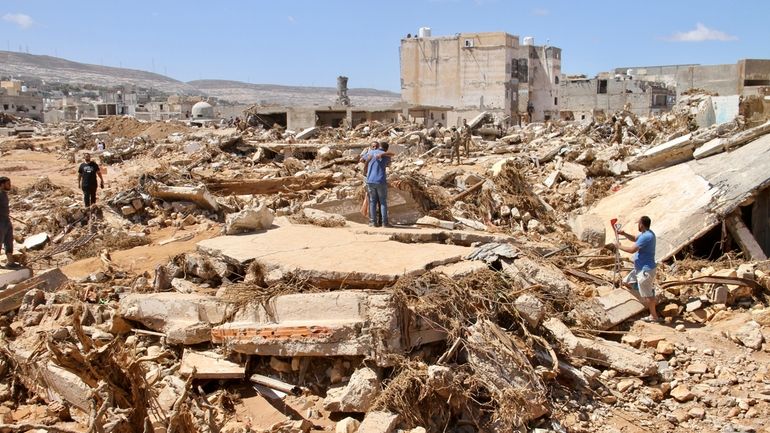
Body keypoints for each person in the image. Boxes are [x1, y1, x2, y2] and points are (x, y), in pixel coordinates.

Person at [617, 216, 660, 322]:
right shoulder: (645, 234)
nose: (638, 225)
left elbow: (632, 249)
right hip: (639, 268)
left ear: (641, 224)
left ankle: (654, 316)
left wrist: (618, 246)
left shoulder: (647, 236)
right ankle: (646, 291)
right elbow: (635, 239)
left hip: (645, 270)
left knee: (647, 294)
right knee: (626, 282)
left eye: (638, 223)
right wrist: (624, 234)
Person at [361, 142, 392, 227]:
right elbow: (388, 163)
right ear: (386, 149)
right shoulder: (386, 155)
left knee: (372, 202)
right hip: (380, 180)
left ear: (378, 146)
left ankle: (372, 222)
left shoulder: (370, 152)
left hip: (370, 180)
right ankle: (384, 223)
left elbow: (362, 159)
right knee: (382, 202)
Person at [0, 177, 19, 268]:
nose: (10, 186)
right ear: (2, 184)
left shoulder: (4, 194)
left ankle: (10, 262)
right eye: (8, 184)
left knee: (9, 241)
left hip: (6, 220)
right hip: (0, 222)